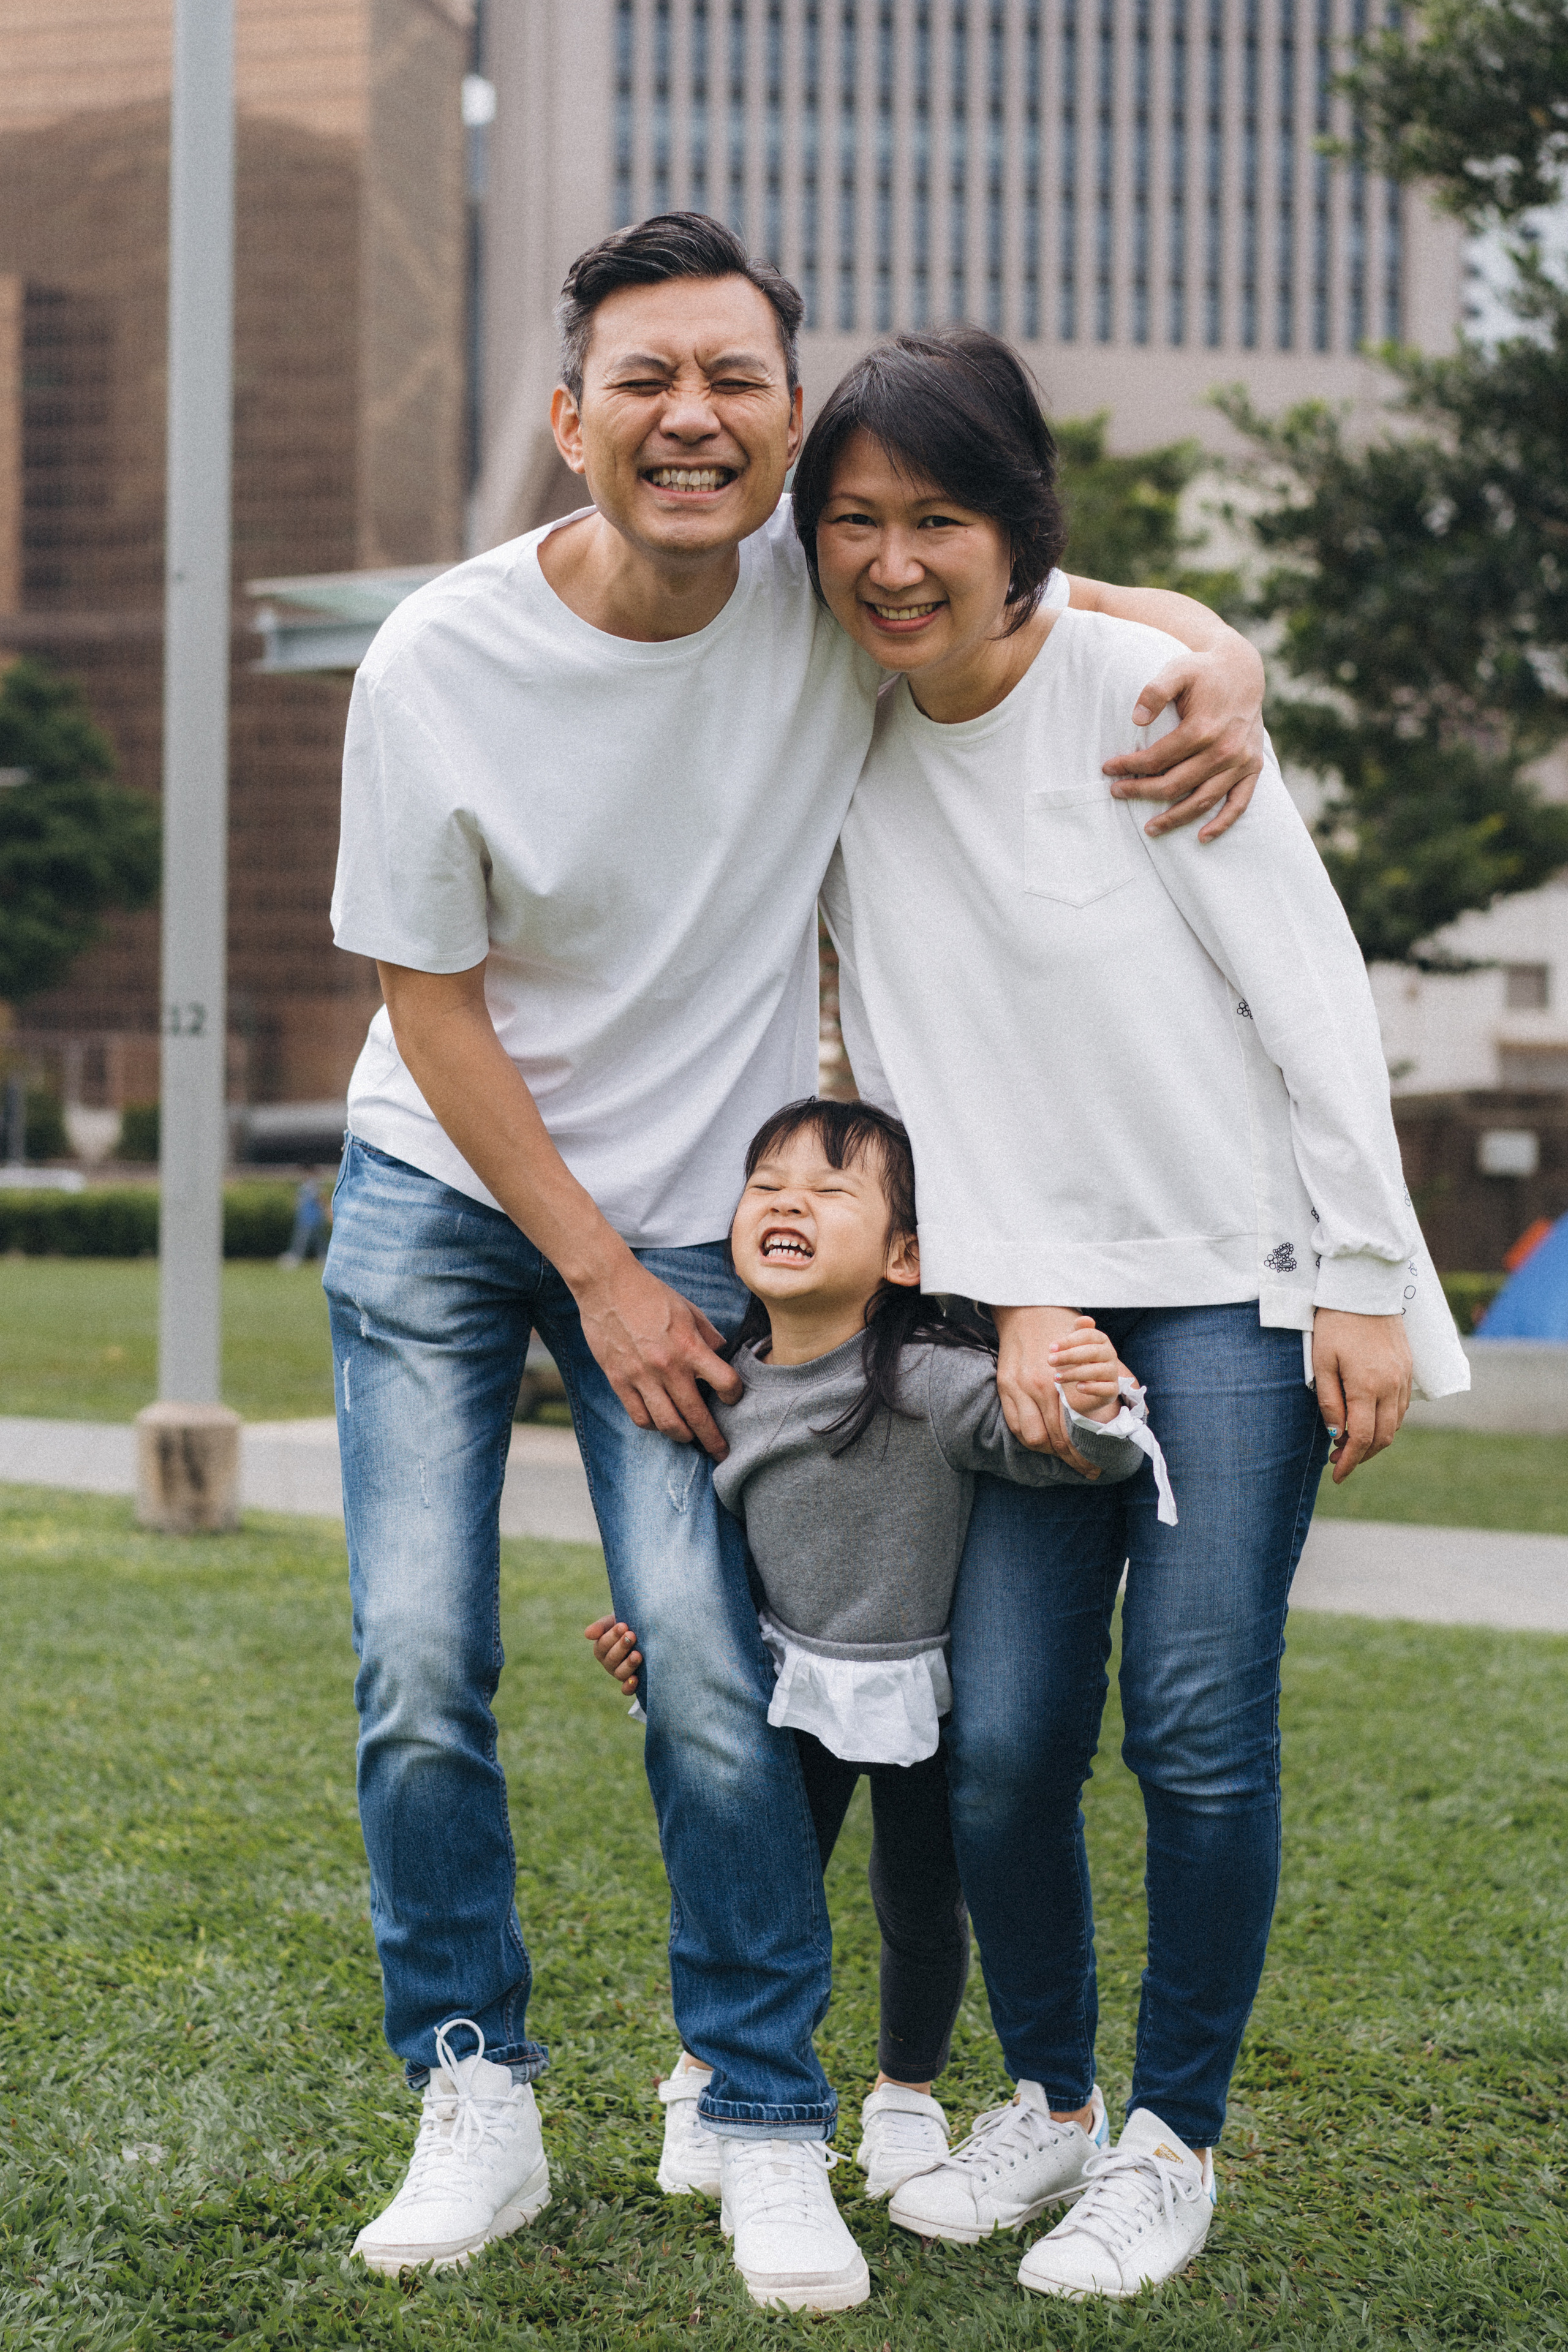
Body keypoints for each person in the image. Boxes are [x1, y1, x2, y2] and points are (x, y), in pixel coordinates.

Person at [323, 211, 1275, 2304]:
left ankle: (760, 2114)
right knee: (419, 1667)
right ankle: (473, 2089)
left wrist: (1223, 637)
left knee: (716, 1676)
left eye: (735, 379)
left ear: (779, 418)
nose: (693, 418)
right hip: (456, 1196)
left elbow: (1015, 584)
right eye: (645, 380)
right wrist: (594, 1276)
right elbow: (430, 1000)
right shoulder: (441, 662)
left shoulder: (818, 599)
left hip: (686, 1225)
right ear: (570, 419)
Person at [790, 325, 1470, 2302]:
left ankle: (1174, 2138)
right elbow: (919, 1062)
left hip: (1241, 1297)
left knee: (1193, 1727)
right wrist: (1008, 1298)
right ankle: (1057, 2107)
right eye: (857, 522)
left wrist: (1355, 1272)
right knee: (1000, 1743)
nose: (896, 560)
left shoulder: (1148, 701)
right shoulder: (848, 728)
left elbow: (1311, 996)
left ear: (1023, 532)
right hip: (1033, 1306)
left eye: (941, 518)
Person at [585, 1096, 1171, 2259]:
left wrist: (1099, 1409)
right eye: (768, 1184)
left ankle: (906, 2095)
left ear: (905, 1255)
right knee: (750, 1881)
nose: (789, 1202)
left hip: (920, 1693)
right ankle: (709, 2073)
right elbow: (704, 1562)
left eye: (831, 1189)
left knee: (920, 1901)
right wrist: (657, 1648)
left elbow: (1055, 1457)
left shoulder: (933, 1379)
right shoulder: (721, 1385)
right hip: (781, 1691)